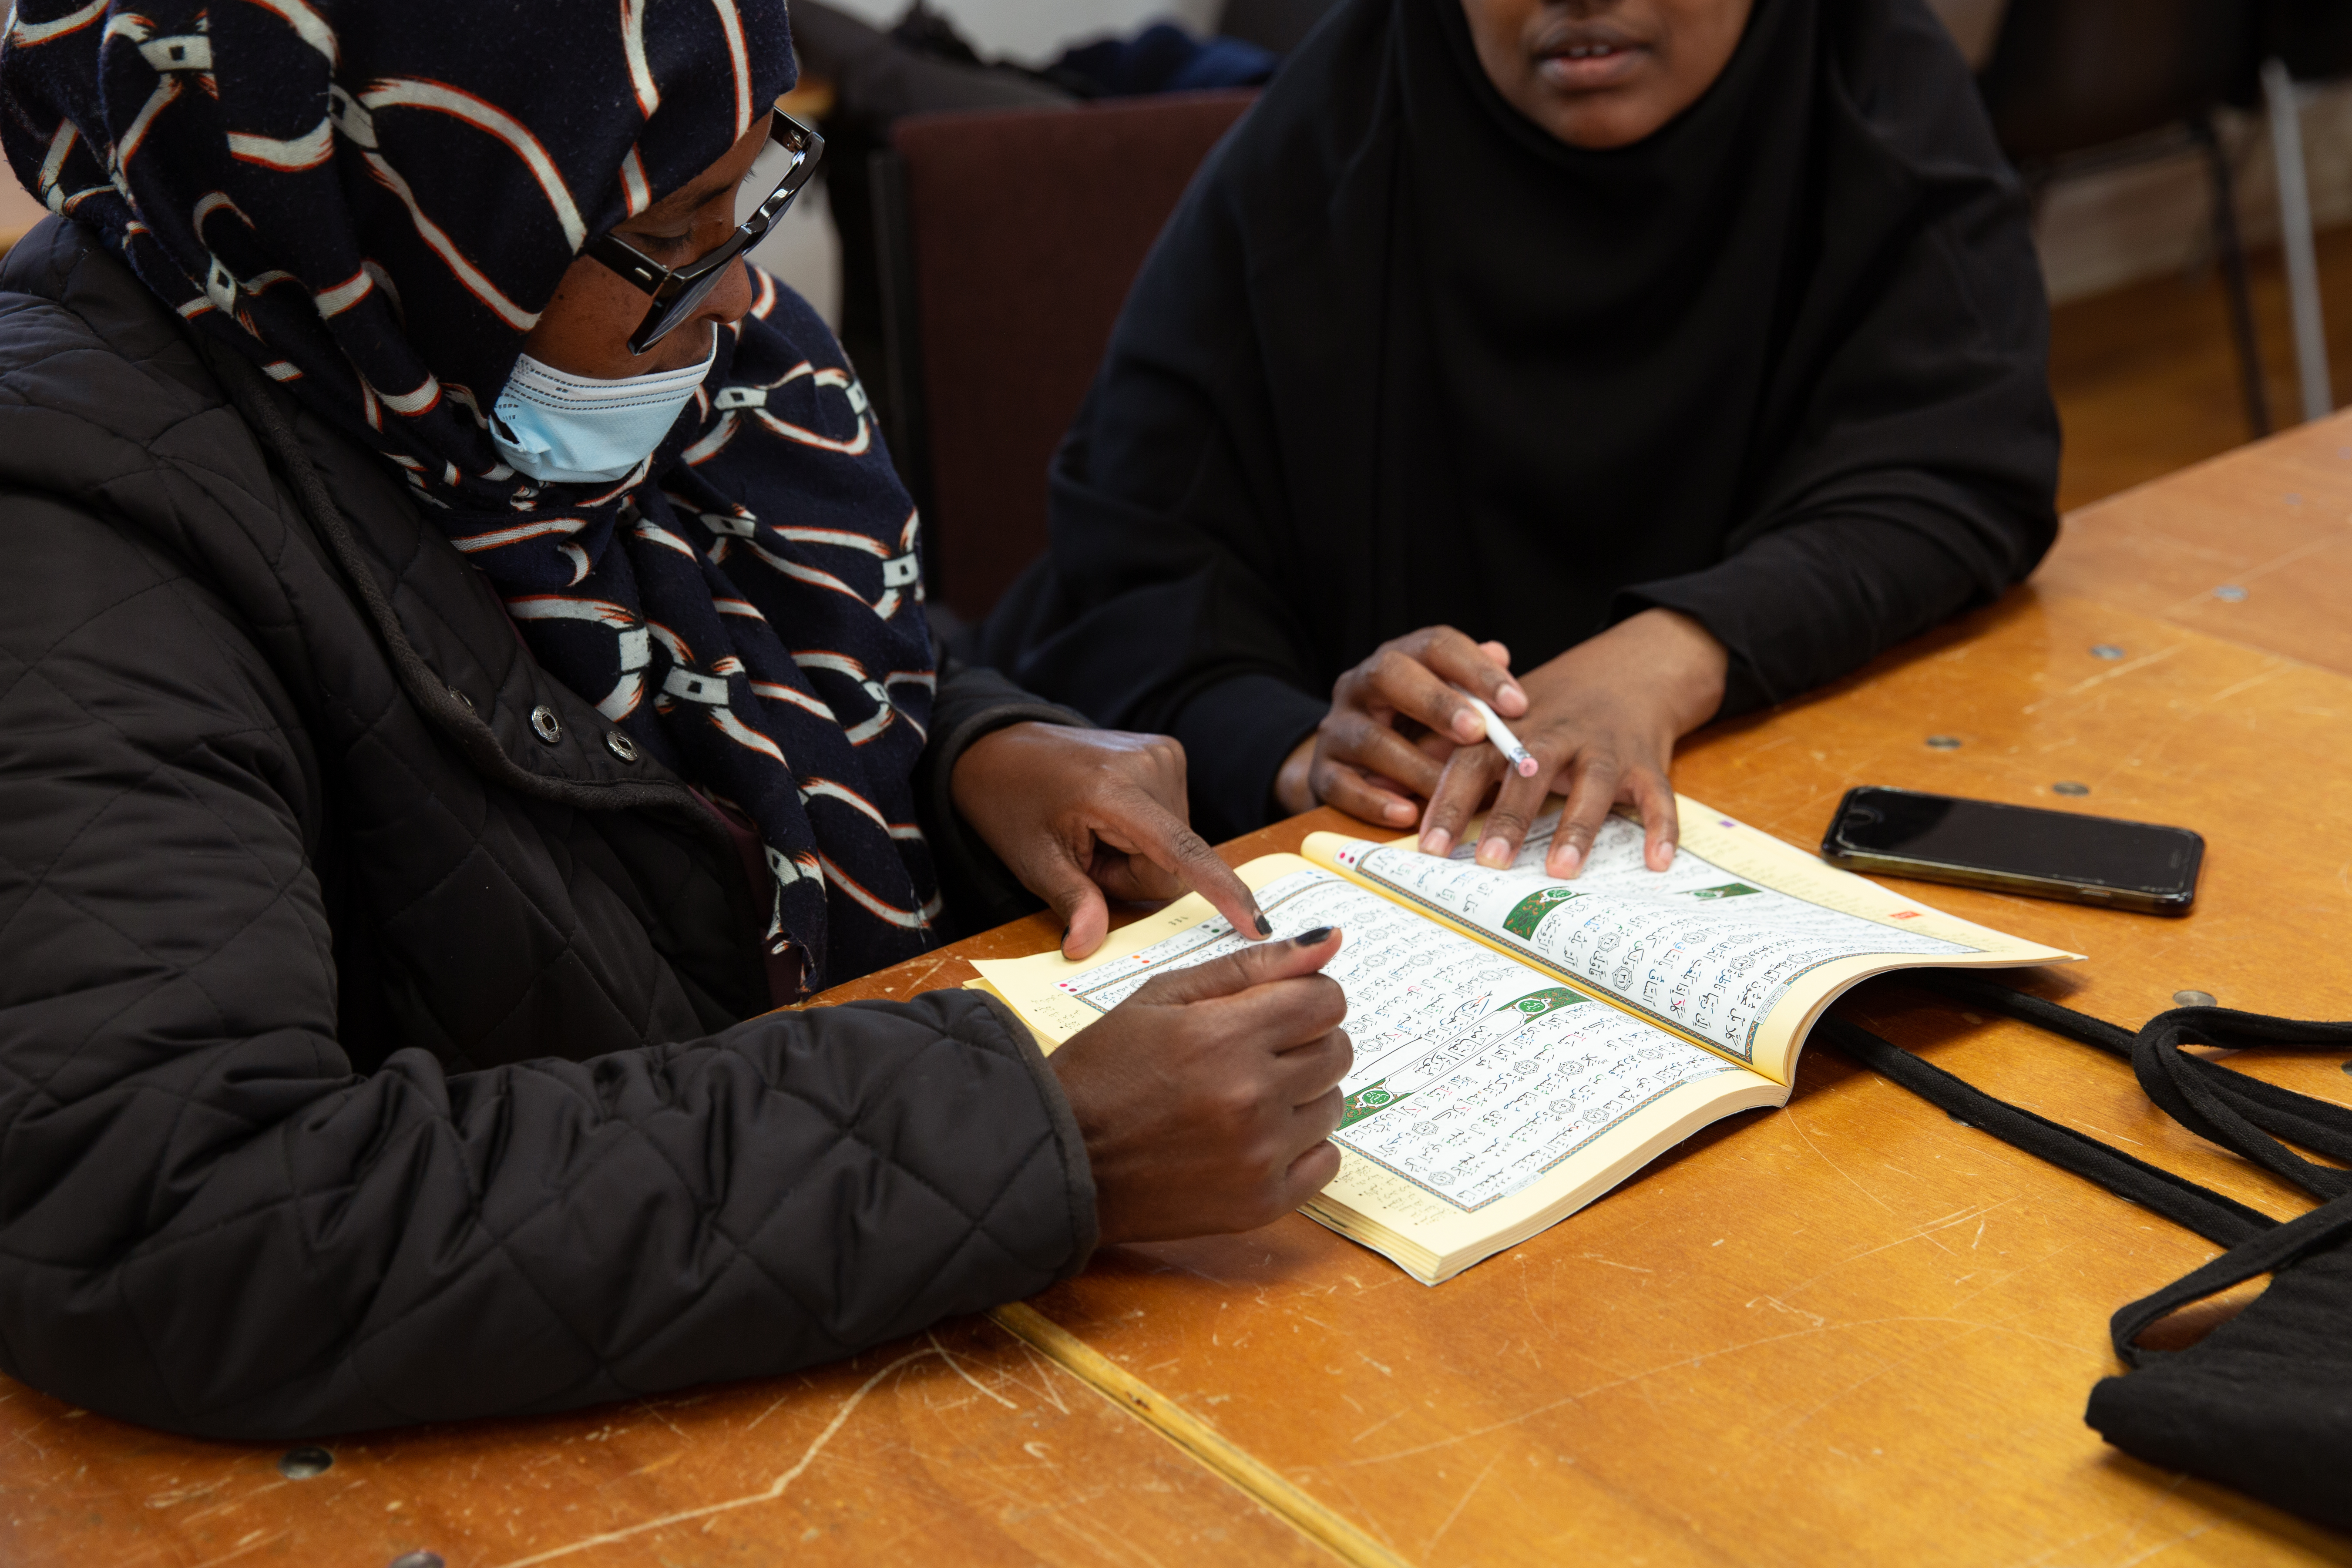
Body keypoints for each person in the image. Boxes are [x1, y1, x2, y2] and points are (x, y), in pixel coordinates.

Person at [0, 0, 1353, 1439]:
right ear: (418, 197)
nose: (734, 293)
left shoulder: (523, 367)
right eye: (673, 231)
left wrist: (971, 749)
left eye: (751, 190)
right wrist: (1039, 1133)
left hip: (835, 1347)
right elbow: (186, 1216)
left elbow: (722, 680)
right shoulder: (73, 529)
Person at [981, 0, 2060, 875]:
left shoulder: (1862, 77)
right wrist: (1309, 750)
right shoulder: (1328, 140)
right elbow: (1123, 578)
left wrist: (1661, 661)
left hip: (1751, 829)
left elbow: (1962, 460)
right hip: (1393, 888)